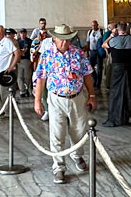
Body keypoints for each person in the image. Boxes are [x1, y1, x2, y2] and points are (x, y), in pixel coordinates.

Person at [33, 24, 92, 185]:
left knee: (79, 130)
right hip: (56, 98)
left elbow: (87, 74)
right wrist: (37, 101)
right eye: (61, 40)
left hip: (77, 97)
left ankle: (77, 155)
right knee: (57, 133)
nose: (64, 43)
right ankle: (59, 167)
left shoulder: (78, 53)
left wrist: (92, 95)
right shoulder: (47, 55)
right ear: (54, 38)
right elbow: (41, 78)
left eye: (67, 40)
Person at [103, 22, 131, 127]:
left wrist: (111, 35)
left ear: (117, 29)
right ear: (126, 29)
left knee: (116, 93)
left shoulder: (113, 40)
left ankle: (116, 117)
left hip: (117, 70)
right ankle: (126, 117)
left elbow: (104, 44)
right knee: (128, 92)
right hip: (129, 69)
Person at [0, 25, 20, 116]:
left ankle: (8, 112)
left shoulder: (7, 41)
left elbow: (17, 53)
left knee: (4, 93)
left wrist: (11, 67)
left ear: (3, 33)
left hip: (3, 71)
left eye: (0, 32)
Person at [87, 20, 104, 89]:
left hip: (98, 51)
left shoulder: (101, 32)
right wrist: (88, 51)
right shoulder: (90, 32)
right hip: (92, 51)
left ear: (97, 25)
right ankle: (95, 79)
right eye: (92, 25)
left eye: (94, 25)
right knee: (90, 66)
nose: (93, 27)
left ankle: (98, 83)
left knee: (99, 68)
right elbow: (88, 41)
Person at [17, 28, 33, 98]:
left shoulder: (29, 41)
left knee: (27, 77)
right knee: (19, 77)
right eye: (21, 33)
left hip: (27, 59)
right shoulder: (17, 41)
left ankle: (27, 89)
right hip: (19, 60)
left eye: (24, 33)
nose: (22, 34)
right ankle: (22, 90)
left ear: (26, 33)